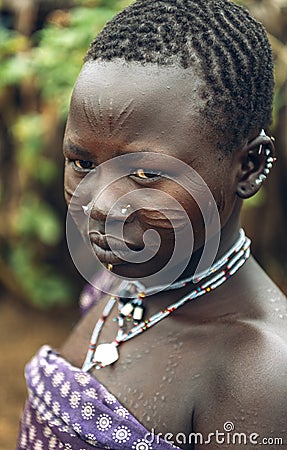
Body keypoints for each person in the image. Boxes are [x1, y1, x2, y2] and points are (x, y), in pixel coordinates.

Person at [17, 0, 287, 449]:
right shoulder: (120, 285)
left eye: (145, 173)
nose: (99, 205)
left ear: (248, 167)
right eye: (82, 163)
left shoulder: (259, 372)